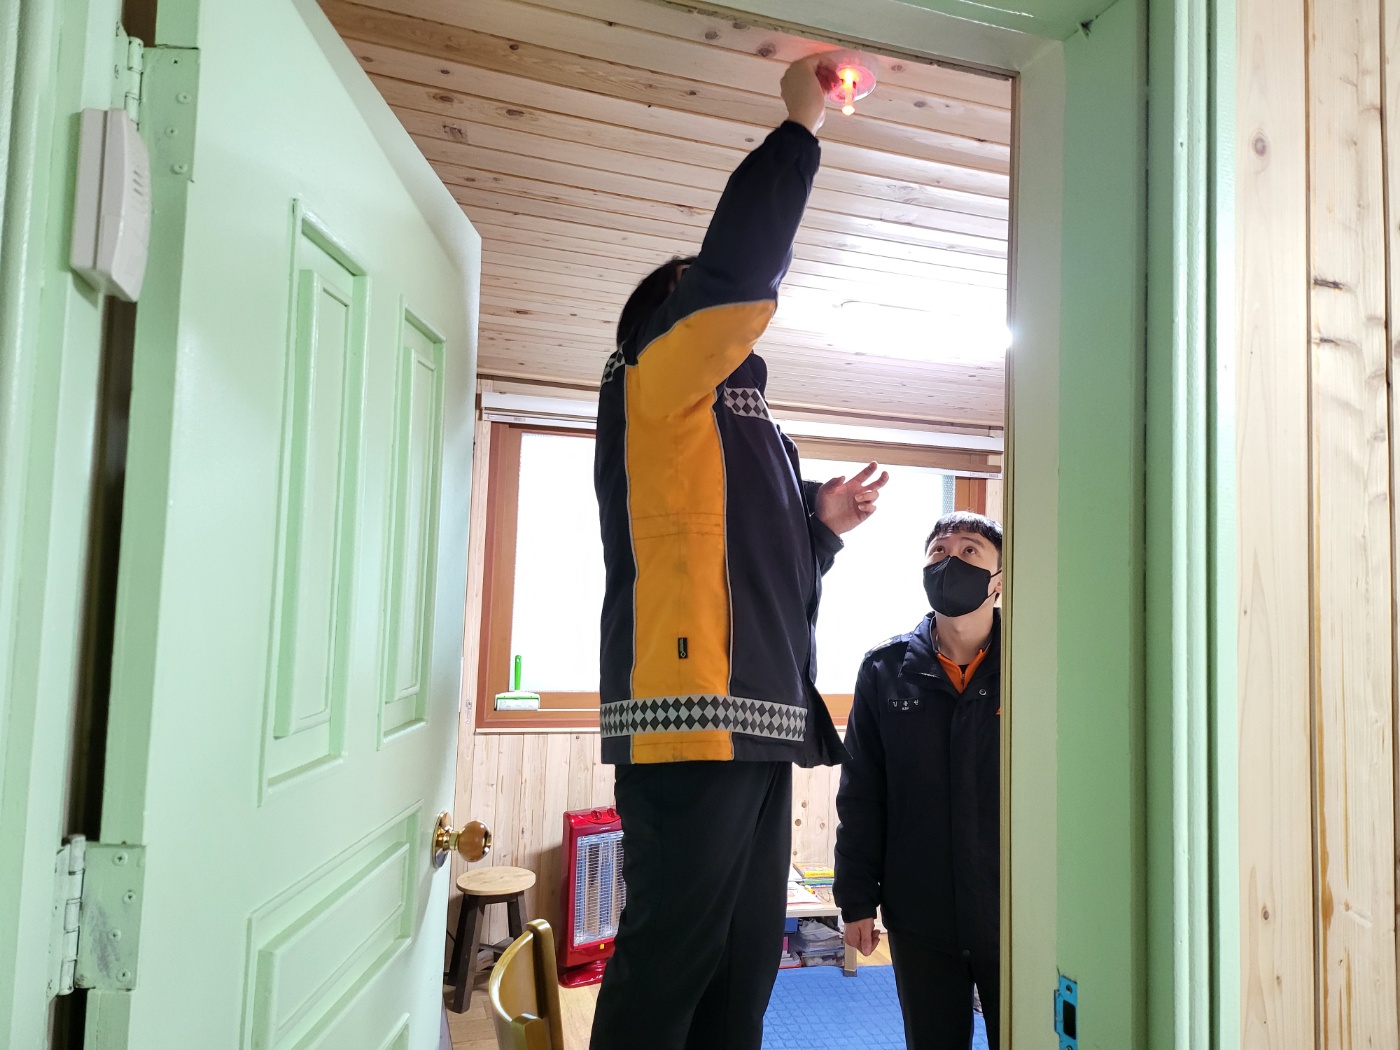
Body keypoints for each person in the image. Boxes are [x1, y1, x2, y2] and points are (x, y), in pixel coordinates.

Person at [589, 54, 888, 1050]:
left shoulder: (747, 430)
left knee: (743, 959)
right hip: (691, 718)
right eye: (690, 298)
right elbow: (732, 275)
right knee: (672, 955)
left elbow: (761, 576)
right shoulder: (654, 381)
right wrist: (801, 128)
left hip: (759, 721)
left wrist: (819, 526)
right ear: (661, 319)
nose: (718, 316)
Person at [834, 511, 1004, 1050]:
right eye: (938, 551)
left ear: (999, 581)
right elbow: (862, 793)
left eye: (970, 550)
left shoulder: (1034, 664)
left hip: (1015, 908)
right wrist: (856, 898)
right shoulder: (884, 670)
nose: (950, 560)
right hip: (921, 911)